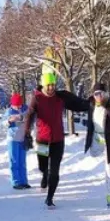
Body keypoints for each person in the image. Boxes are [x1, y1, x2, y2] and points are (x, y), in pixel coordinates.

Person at [23, 73, 89, 209]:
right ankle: (44, 174)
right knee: (43, 166)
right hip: (42, 140)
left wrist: (93, 103)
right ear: (44, 85)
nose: (51, 88)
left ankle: (49, 198)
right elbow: (29, 116)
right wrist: (26, 133)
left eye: (53, 85)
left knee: (55, 171)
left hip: (58, 140)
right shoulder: (37, 98)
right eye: (48, 85)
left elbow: (78, 104)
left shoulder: (61, 97)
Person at [84, 84, 110, 208]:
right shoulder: (91, 104)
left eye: (101, 93)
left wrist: (108, 105)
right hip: (97, 139)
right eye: (96, 94)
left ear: (105, 94)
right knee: (93, 154)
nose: (99, 96)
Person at [6, 93, 30, 189]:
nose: (18, 107)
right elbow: (1, 124)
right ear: (12, 104)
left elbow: (31, 117)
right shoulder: (9, 112)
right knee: (14, 161)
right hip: (13, 140)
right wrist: (8, 121)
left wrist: (21, 117)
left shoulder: (26, 109)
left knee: (22, 161)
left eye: (19, 105)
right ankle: (16, 182)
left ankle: (24, 181)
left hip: (23, 138)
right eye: (16, 105)